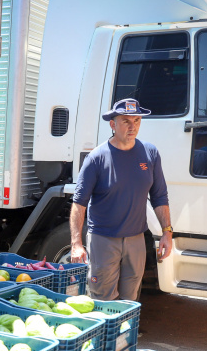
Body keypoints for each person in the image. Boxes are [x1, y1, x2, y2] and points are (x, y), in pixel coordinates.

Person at [69, 98, 173, 301]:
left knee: (130, 300)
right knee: (103, 300)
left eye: (137, 120)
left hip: (136, 240)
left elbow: (159, 195)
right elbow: (79, 203)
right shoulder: (96, 158)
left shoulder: (150, 153)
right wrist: (76, 243)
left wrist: (167, 233)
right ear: (112, 124)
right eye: (126, 121)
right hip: (104, 240)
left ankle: (125, 324)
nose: (132, 126)